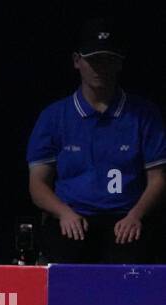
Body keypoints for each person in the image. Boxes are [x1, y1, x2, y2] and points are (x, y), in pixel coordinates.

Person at [26, 18, 166, 263]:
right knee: (62, 259)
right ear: (77, 61)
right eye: (93, 60)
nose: (100, 68)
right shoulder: (53, 116)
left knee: (134, 264)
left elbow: (158, 179)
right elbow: (37, 184)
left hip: (125, 217)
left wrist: (136, 215)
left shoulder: (145, 115)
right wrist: (63, 213)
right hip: (72, 217)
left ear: (120, 62)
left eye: (108, 60)